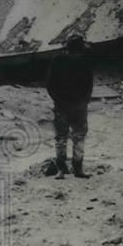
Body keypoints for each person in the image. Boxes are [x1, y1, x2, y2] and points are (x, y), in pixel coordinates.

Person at [45, 33, 93, 179]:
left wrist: (82, 102)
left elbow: (88, 85)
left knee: (70, 138)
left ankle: (70, 169)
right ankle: (69, 169)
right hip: (69, 106)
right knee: (69, 138)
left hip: (71, 106)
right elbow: (51, 85)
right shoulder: (63, 61)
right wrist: (80, 101)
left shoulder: (79, 61)